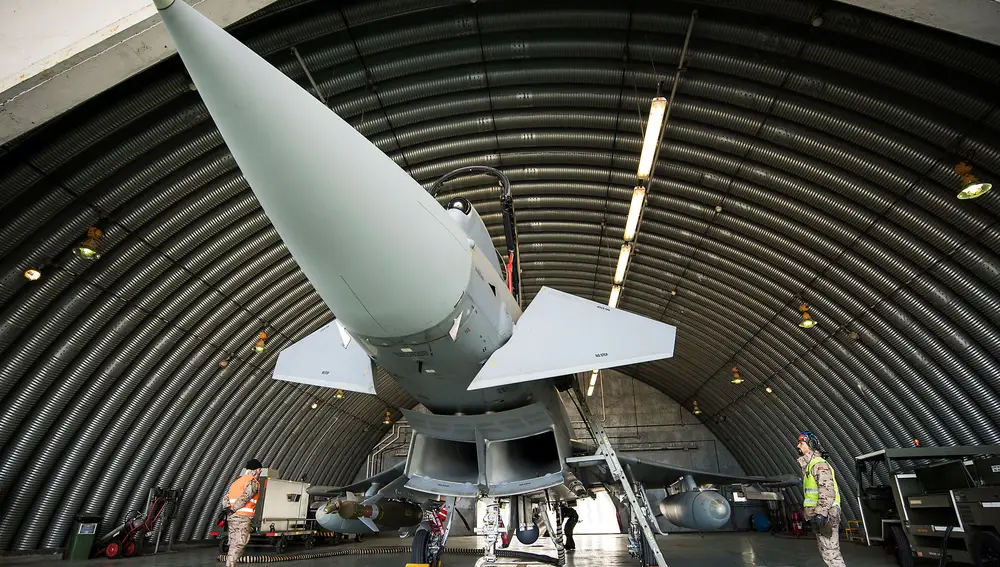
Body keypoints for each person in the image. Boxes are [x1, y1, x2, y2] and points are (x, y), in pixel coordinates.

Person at [797, 432, 846, 567]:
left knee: (831, 554)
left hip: (826, 514)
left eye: (801, 443)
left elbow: (827, 491)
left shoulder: (818, 464)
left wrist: (821, 513)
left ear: (811, 446)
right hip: (821, 513)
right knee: (827, 552)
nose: (798, 446)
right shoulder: (810, 466)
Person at [221, 458, 263, 567]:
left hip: (233, 517)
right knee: (239, 543)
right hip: (242, 518)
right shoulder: (253, 481)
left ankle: (230, 564)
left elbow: (226, 498)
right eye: (260, 470)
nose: (260, 472)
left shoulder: (237, 482)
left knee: (233, 543)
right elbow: (246, 497)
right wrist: (233, 509)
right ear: (257, 469)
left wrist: (228, 510)